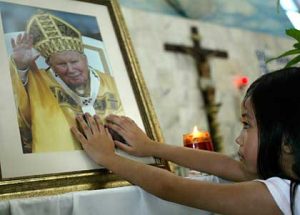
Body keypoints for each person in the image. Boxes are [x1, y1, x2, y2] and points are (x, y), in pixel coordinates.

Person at [71, 67, 300, 215]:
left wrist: (109, 159)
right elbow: (227, 165)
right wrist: (150, 147)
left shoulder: (287, 195)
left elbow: (171, 187)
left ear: (287, 140)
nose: (239, 139)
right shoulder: (285, 175)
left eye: (247, 125)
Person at [10, 12, 123, 153]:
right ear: (49, 64)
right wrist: (21, 66)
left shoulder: (111, 83)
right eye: (61, 64)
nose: (70, 69)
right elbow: (20, 110)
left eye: (74, 62)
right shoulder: (39, 81)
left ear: (85, 59)